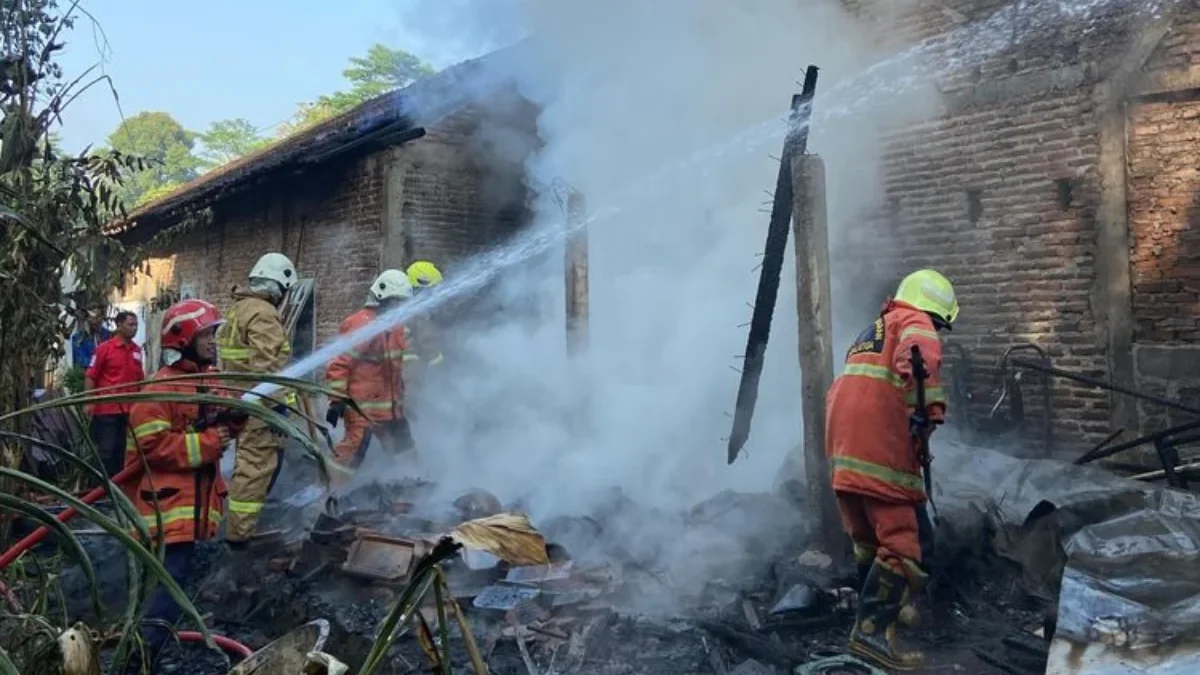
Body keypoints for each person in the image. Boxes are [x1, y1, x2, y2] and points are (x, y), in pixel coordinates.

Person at [825, 268, 957, 671]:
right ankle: (871, 635)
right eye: (940, 324)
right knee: (903, 547)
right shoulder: (914, 322)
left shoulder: (875, 329)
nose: (935, 330)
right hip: (880, 451)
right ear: (934, 312)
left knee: (868, 540)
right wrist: (928, 412)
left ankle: (883, 611)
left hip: (846, 452)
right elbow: (919, 360)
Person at [124, 299, 244, 673]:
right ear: (185, 338)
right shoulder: (162, 388)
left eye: (214, 334)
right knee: (167, 589)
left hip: (187, 511)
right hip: (163, 510)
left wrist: (239, 416)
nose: (214, 341)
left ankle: (146, 654)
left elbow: (223, 418)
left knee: (169, 587)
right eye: (208, 334)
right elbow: (152, 447)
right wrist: (210, 442)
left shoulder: (208, 380)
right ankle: (138, 661)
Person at [214, 252, 297, 552]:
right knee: (255, 468)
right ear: (279, 285)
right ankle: (239, 537)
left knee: (250, 465)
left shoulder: (238, 309)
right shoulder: (263, 313)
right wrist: (277, 406)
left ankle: (239, 525)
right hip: (260, 407)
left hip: (239, 400)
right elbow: (267, 367)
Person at [324, 269, 415, 486]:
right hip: (361, 406)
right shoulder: (361, 323)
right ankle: (328, 491)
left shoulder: (395, 326)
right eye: (398, 302)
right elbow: (339, 363)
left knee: (405, 450)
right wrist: (336, 400)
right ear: (383, 297)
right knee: (352, 451)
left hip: (389, 407)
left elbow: (403, 361)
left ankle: (416, 491)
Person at [85, 311, 144, 477]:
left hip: (129, 411)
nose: (134, 328)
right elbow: (91, 375)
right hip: (107, 410)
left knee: (123, 451)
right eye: (130, 325)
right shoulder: (104, 349)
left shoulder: (137, 351)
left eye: (136, 325)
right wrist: (88, 402)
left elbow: (140, 379)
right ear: (118, 325)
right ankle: (102, 489)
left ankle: (119, 490)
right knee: (106, 451)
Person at [404, 260, 445, 368]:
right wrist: (440, 363)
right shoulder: (419, 309)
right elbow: (426, 340)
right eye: (433, 289)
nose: (435, 293)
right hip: (414, 369)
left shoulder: (403, 306)